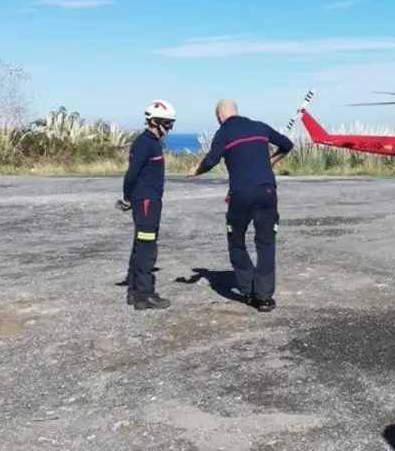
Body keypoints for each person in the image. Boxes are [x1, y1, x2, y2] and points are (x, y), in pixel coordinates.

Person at [188, 98, 295, 312]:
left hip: (241, 194)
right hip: (267, 191)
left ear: (219, 116)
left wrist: (196, 170)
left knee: (236, 241)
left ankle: (248, 290)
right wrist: (271, 161)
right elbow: (287, 144)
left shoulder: (223, 133)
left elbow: (211, 160)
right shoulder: (259, 126)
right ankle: (264, 298)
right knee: (266, 243)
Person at [119, 99, 176, 311]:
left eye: (171, 124)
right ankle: (144, 295)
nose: (169, 129)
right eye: (167, 124)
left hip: (148, 200)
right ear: (154, 122)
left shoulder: (149, 142)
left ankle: (134, 291)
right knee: (147, 247)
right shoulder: (146, 144)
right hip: (146, 202)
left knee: (140, 245)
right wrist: (127, 197)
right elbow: (131, 174)